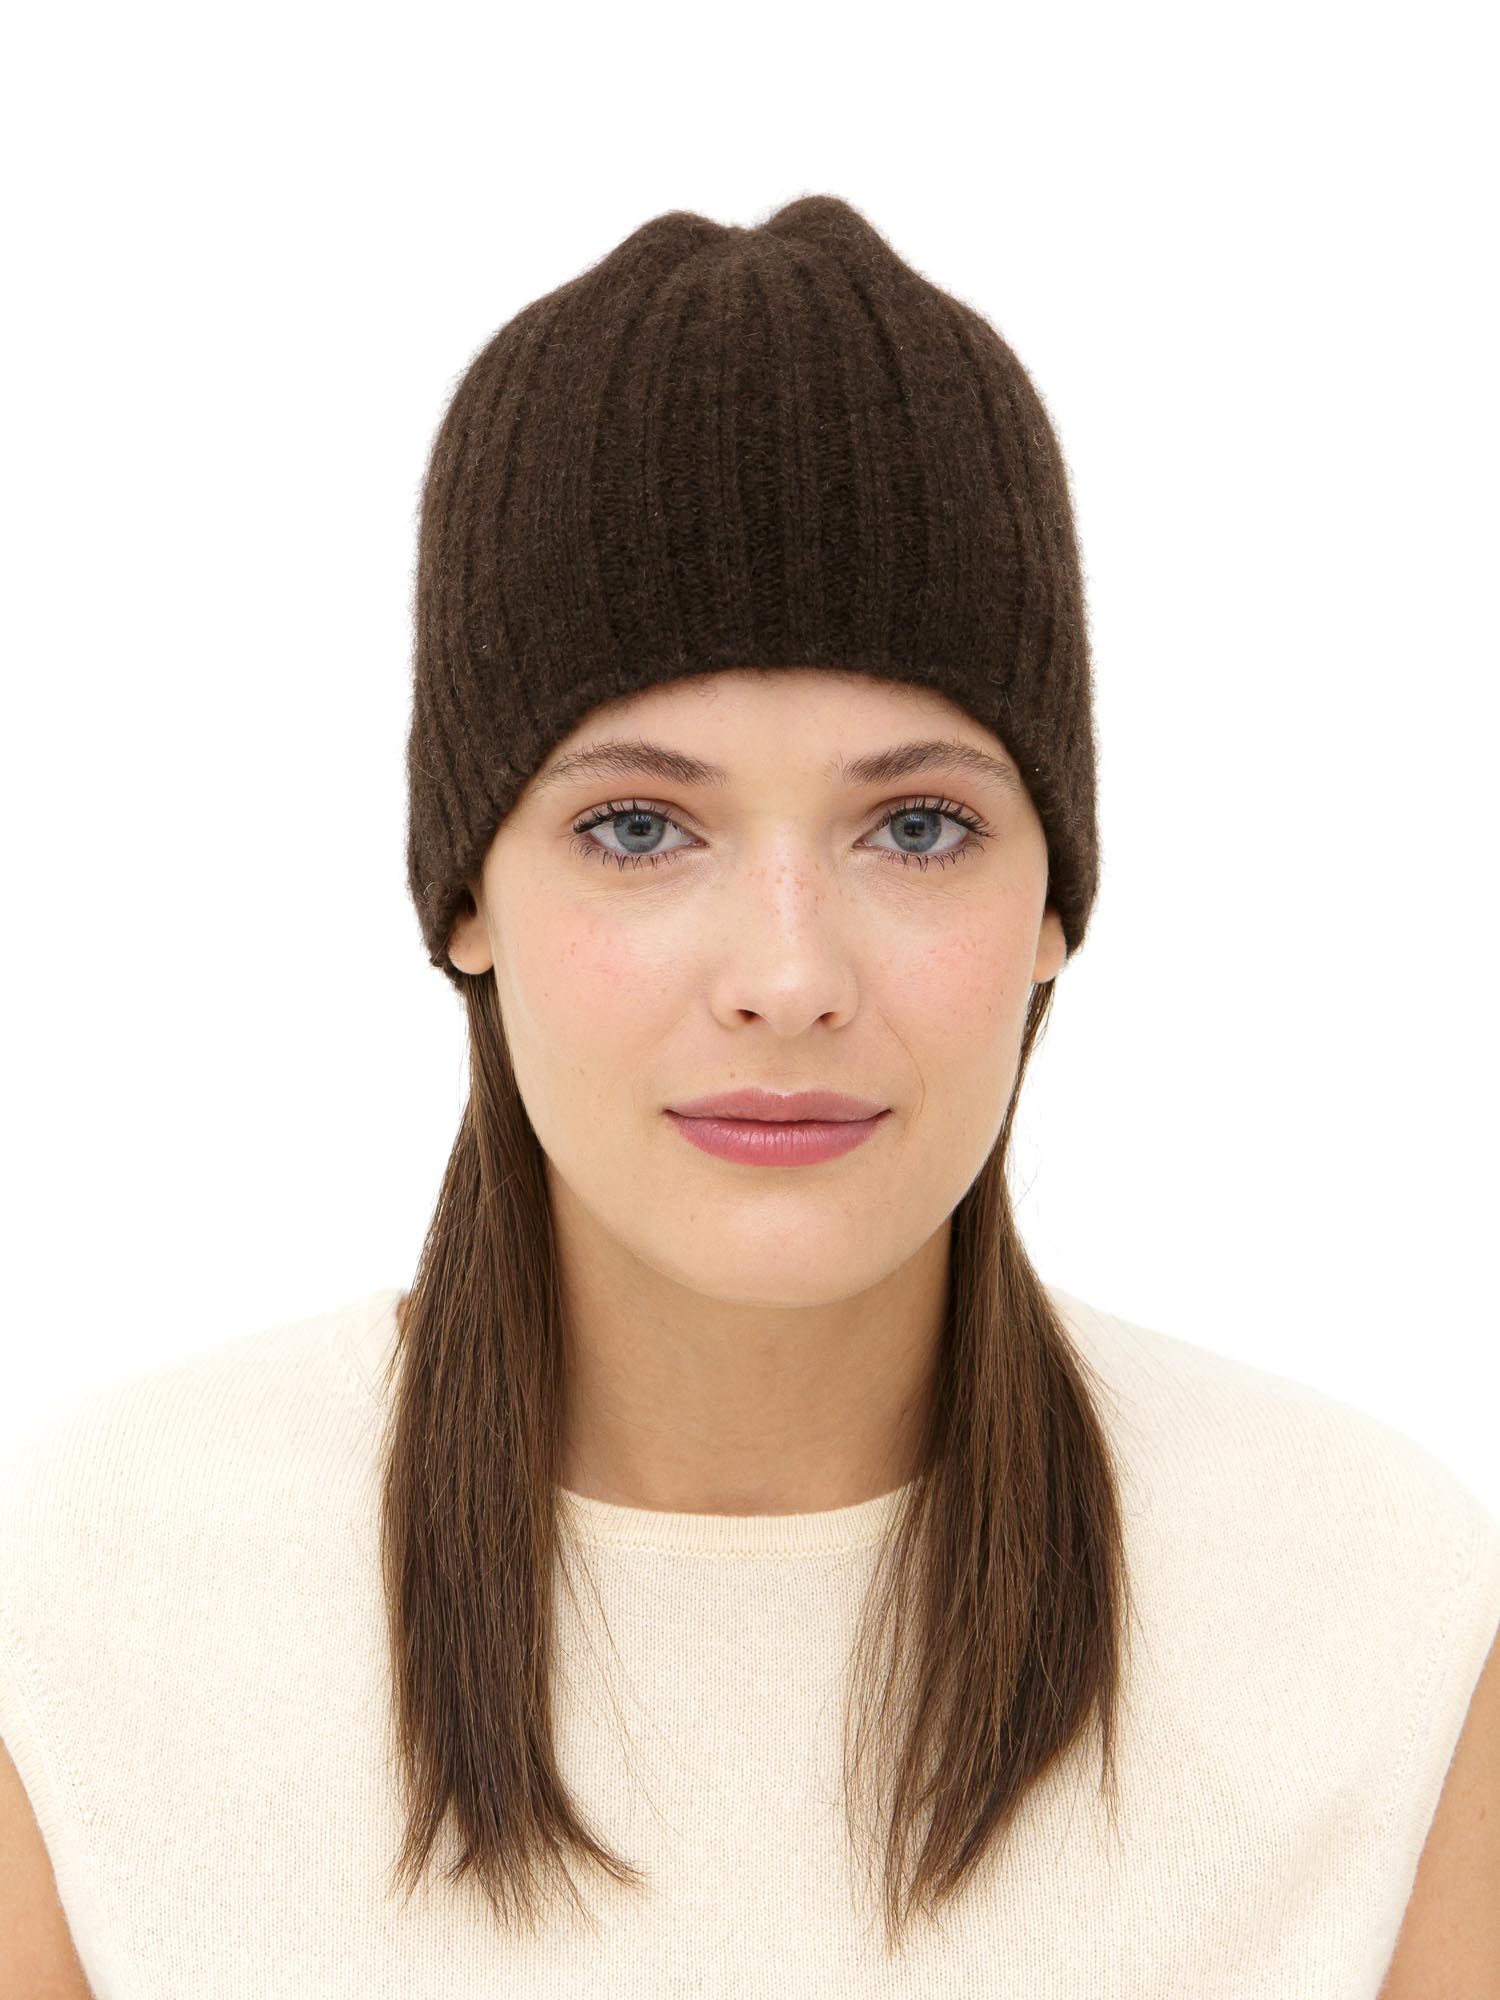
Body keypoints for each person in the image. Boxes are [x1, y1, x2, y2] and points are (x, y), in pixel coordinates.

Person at [2, 193, 1497, 1998]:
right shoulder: (84, 1600)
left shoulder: (1375, 1618)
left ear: (1053, 903)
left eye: (918, 826)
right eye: (640, 826)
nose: (788, 975)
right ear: (467, 898)